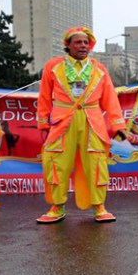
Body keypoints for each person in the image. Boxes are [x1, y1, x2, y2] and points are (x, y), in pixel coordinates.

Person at [36, 27, 126, 224]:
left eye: (86, 42)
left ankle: (99, 207)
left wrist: (118, 124)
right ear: (68, 45)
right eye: (78, 42)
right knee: (56, 162)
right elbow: (43, 97)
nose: (83, 46)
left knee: (96, 163)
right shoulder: (53, 67)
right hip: (62, 121)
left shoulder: (99, 68)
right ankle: (56, 206)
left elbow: (110, 98)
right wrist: (43, 123)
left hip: (92, 121)